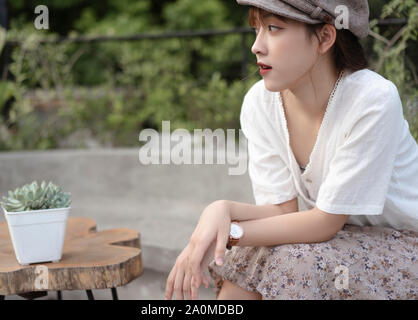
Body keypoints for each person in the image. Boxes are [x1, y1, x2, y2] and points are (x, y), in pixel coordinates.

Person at [165, 0, 418, 300]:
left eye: (274, 28)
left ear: (325, 37)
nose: (256, 46)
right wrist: (220, 211)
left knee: (294, 262)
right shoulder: (260, 103)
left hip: (406, 243)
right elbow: (281, 211)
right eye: (257, 29)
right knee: (254, 251)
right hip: (341, 239)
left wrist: (227, 236)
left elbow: (324, 222)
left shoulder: (371, 99)